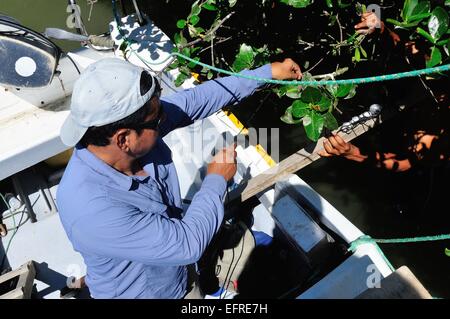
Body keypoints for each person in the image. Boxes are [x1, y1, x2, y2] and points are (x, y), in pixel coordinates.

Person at [56, 57, 302, 299]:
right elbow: (188, 245)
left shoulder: (126, 135)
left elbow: (194, 101)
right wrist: (216, 178)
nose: (165, 116)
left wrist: (266, 73)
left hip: (178, 269)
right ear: (124, 139)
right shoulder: (90, 210)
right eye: (158, 117)